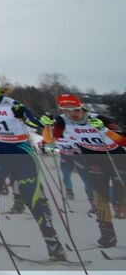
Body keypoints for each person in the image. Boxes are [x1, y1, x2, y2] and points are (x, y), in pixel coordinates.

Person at [0, 72, 66, 260]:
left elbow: (34, 123)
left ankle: (52, 242)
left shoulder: (12, 105)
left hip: (21, 152)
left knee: (32, 197)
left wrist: (45, 123)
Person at [46, 93, 126, 248]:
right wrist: (47, 128)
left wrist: (104, 130)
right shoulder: (62, 121)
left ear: (81, 107)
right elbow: (52, 139)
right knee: (99, 200)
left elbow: (123, 140)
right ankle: (107, 236)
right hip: (93, 160)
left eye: (75, 110)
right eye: (66, 110)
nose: (72, 114)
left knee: (122, 198)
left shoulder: (99, 118)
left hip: (117, 159)